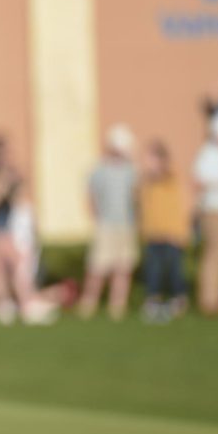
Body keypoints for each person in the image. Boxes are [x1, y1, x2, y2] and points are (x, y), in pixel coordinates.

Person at [0, 135, 57, 325]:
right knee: (4, 265)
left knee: (6, 266)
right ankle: (19, 303)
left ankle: (10, 304)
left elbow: (21, 196)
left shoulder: (11, 173)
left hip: (10, 225)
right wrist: (2, 182)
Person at [78, 125, 139, 321]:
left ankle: (117, 307)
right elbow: (91, 196)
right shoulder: (99, 169)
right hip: (105, 225)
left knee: (123, 266)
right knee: (97, 267)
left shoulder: (131, 170)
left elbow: (135, 197)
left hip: (126, 225)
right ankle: (88, 304)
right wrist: (96, 217)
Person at [139, 139, 189, 323]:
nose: (146, 163)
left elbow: (181, 204)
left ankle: (179, 300)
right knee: (153, 270)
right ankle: (153, 300)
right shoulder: (146, 183)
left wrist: (182, 232)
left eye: (150, 158)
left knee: (174, 269)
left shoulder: (171, 177)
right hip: (153, 234)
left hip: (172, 234)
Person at [193, 113, 218, 316]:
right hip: (213, 210)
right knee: (214, 253)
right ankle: (209, 301)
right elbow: (199, 182)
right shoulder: (207, 154)